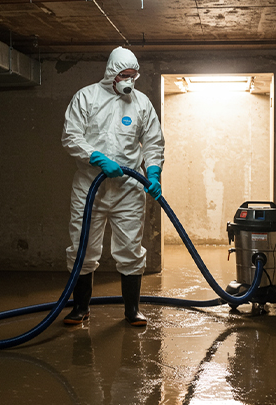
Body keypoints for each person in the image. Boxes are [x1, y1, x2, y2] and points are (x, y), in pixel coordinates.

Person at [61, 46, 165, 326]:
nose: (129, 80)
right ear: (111, 74)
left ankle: (132, 310)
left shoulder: (142, 103)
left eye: (133, 75)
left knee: (130, 249)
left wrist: (153, 173)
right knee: (82, 248)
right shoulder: (86, 98)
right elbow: (71, 136)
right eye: (124, 74)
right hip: (90, 188)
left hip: (129, 190)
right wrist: (96, 157)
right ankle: (80, 308)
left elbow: (154, 142)